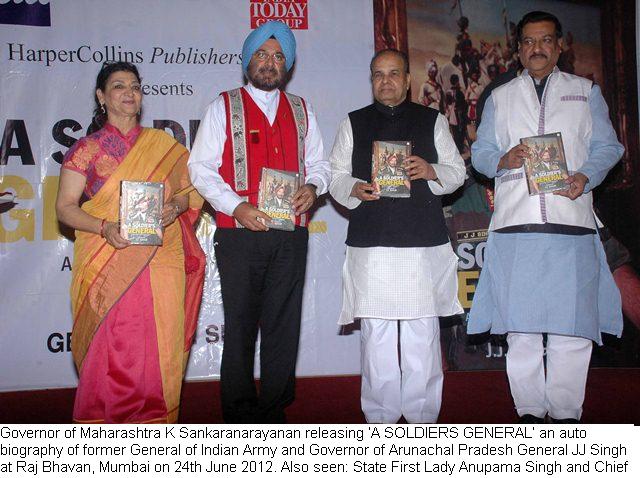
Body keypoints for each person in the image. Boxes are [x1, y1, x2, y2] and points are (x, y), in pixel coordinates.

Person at [468, 11, 624, 423]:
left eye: (545, 41)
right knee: (520, 330)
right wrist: (503, 158)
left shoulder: (585, 91)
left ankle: (567, 416)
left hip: (570, 224)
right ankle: (530, 415)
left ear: (559, 46)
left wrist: (585, 176)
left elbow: (609, 148)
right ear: (518, 49)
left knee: (571, 329)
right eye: (528, 42)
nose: (536, 48)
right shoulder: (499, 97)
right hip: (515, 226)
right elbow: (481, 153)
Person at [188, 21, 331, 423]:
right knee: (241, 325)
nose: (269, 62)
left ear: (288, 65)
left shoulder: (303, 109)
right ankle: (237, 413)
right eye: (262, 54)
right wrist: (236, 207)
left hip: (290, 236)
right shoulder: (223, 105)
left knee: (283, 325)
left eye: (278, 56)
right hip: (239, 235)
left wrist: (314, 187)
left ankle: (273, 410)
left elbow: (320, 164)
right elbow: (200, 169)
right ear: (248, 60)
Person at [56, 61, 205, 424]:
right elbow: (64, 208)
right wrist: (104, 226)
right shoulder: (86, 150)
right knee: (113, 349)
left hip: (160, 261)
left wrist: (175, 206)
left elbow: (189, 193)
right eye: (119, 86)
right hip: (108, 259)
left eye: (135, 86)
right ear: (101, 96)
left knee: (159, 346)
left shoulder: (163, 146)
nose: (129, 93)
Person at [329, 49, 465, 423]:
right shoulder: (352, 123)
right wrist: (354, 188)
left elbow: (457, 172)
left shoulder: (433, 121)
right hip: (372, 246)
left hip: (422, 244)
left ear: (407, 80)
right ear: (371, 79)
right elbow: (335, 175)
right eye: (378, 74)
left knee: (422, 335)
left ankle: (423, 420)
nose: (385, 81)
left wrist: (431, 169)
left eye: (393, 74)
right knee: (377, 338)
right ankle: (382, 421)